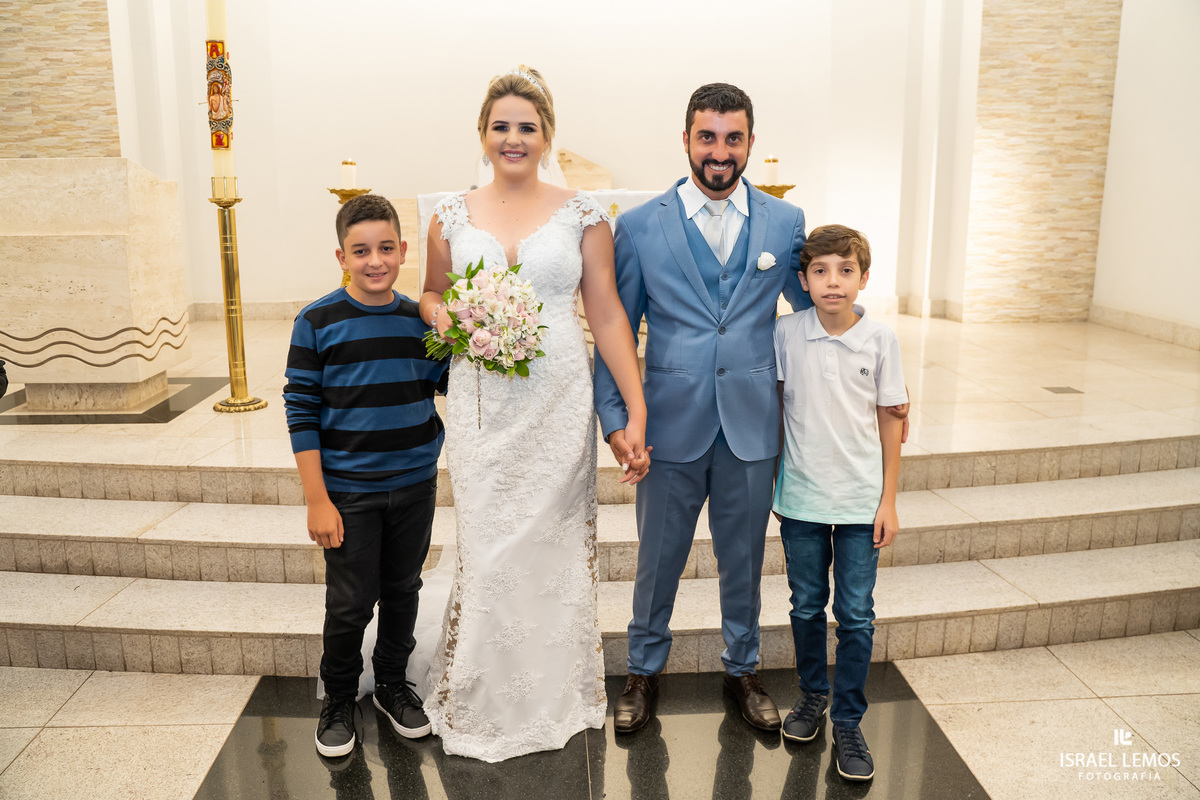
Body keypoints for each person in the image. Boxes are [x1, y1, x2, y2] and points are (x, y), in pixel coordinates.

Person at [593, 84, 909, 736]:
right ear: (686, 140)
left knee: (743, 561)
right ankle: (643, 670)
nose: (720, 151)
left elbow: (817, 308)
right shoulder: (640, 226)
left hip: (752, 424)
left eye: (732, 138)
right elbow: (615, 329)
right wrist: (617, 418)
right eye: (707, 137)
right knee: (658, 558)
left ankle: (742, 669)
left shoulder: (783, 223)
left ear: (750, 143)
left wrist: (875, 370)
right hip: (668, 424)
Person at [418, 66, 650, 762]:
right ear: (482, 135)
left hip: (556, 401)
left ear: (547, 136)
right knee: (489, 546)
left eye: (527, 126)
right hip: (482, 402)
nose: (513, 138)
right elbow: (430, 294)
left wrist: (635, 409)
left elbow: (606, 315)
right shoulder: (450, 215)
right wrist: (452, 315)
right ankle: (483, 694)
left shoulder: (584, 214)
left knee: (550, 546)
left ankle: (556, 693)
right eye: (501, 126)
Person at [284, 194, 448, 758]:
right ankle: (338, 697)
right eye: (360, 251)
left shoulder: (420, 321)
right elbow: (301, 411)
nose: (375, 261)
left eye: (385, 248)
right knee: (351, 601)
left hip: (415, 483)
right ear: (341, 257)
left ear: (403, 251)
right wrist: (317, 499)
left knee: (404, 589)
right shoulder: (317, 321)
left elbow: (452, 382)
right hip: (349, 491)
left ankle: (392, 684)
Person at [774, 225, 905, 782]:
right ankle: (812, 696)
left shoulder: (880, 339)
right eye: (821, 271)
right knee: (806, 605)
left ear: (863, 278)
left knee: (854, 614)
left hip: (859, 503)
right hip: (801, 500)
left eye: (845, 270)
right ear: (803, 280)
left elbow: (892, 418)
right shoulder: (785, 333)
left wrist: (888, 500)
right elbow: (775, 409)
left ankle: (849, 720)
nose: (833, 282)